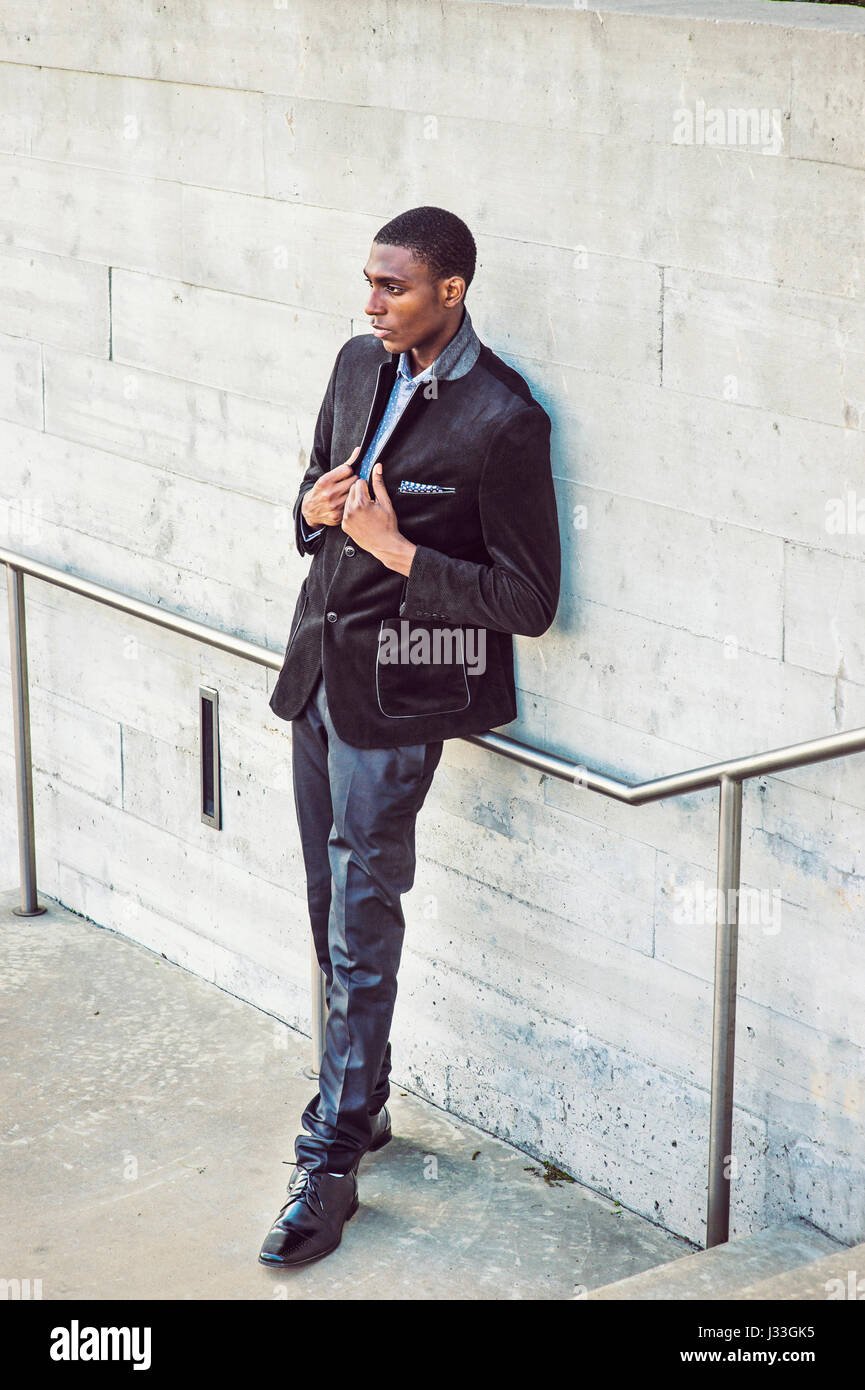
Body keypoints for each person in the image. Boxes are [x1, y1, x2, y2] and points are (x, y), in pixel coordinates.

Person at [260, 206, 561, 1267]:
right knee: (322, 902)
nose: (371, 300)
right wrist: (315, 508)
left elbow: (529, 600)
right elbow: (306, 491)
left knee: (360, 912)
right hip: (317, 673)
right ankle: (364, 1097)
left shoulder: (504, 419)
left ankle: (332, 1156)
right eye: (368, 280)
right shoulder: (355, 362)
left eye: (393, 286)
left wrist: (393, 550)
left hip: (406, 691)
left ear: (452, 290)